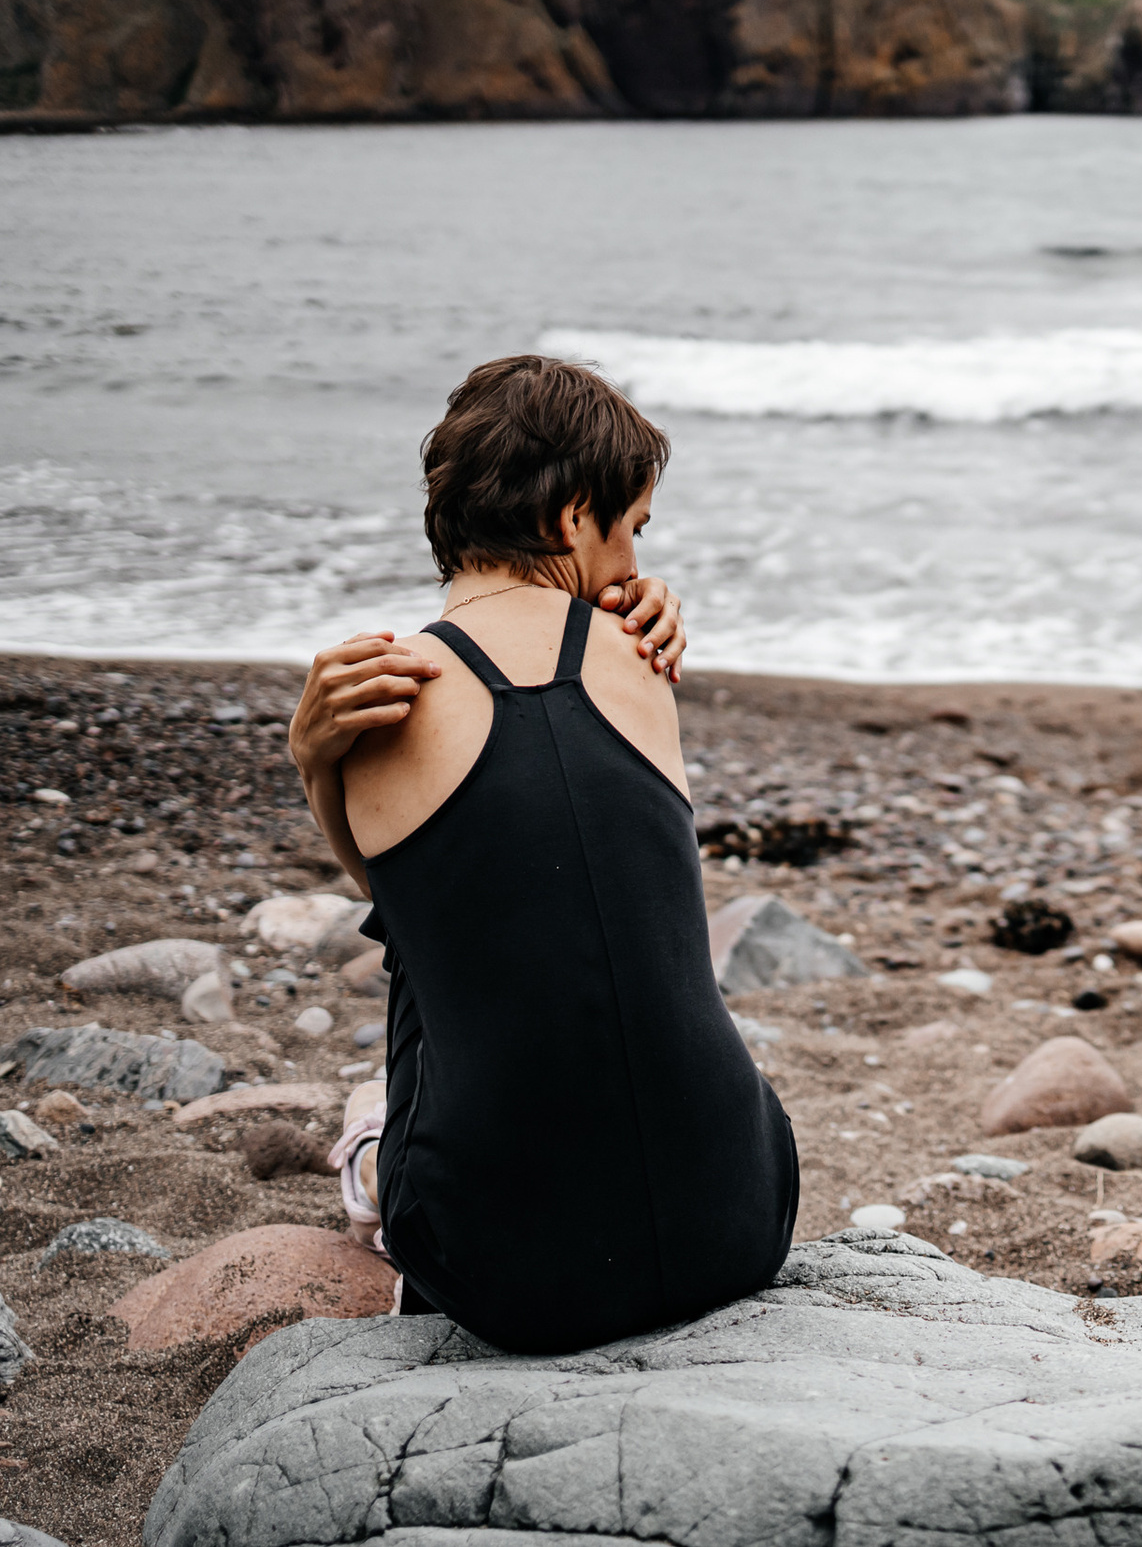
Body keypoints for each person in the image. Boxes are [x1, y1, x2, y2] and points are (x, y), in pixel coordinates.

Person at [287, 354, 798, 1354]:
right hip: (740, 1214)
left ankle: (379, 1171)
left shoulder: (384, 692)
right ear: (571, 518)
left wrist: (316, 766)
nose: (636, 567)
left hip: (515, 1277)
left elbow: (420, 920)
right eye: (633, 528)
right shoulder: (643, 652)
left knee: (425, 953)